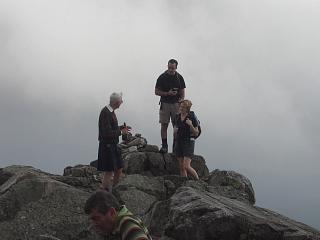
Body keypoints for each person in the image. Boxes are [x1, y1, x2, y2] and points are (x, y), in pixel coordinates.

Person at [84, 191, 152, 240]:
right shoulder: (114, 228)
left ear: (112, 212)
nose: (93, 224)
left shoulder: (127, 223)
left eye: (96, 218)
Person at [98, 92, 130, 192]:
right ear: (116, 102)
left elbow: (111, 129)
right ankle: (104, 192)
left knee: (119, 168)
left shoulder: (110, 111)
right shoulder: (106, 113)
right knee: (109, 171)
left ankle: (114, 190)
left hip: (112, 145)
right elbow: (106, 133)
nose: (122, 102)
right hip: (108, 146)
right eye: (121, 101)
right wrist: (121, 132)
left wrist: (121, 128)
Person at [155, 59, 186, 153]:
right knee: (164, 125)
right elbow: (156, 92)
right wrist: (167, 93)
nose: (171, 70)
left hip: (176, 105)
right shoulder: (162, 77)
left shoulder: (179, 77)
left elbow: (182, 92)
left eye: (173, 68)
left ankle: (175, 147)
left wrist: (181, 100)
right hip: (165, 104)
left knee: (176, 126)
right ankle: (164, 146)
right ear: (167, 66)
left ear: (176, 67)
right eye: (169, 67)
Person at [173, 99, 199, 180]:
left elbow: (196, 133)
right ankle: (184, 184)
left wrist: (191, 125)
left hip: (188, 141)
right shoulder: (177, 117)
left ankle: (198, 181)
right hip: (179, 141)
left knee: (186, 166)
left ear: (187, 108)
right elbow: (175, 132)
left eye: (183, 107)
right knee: (181, 167)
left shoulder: (191, 116)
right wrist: (174, 133)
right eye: (180, 106)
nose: (181, 108)